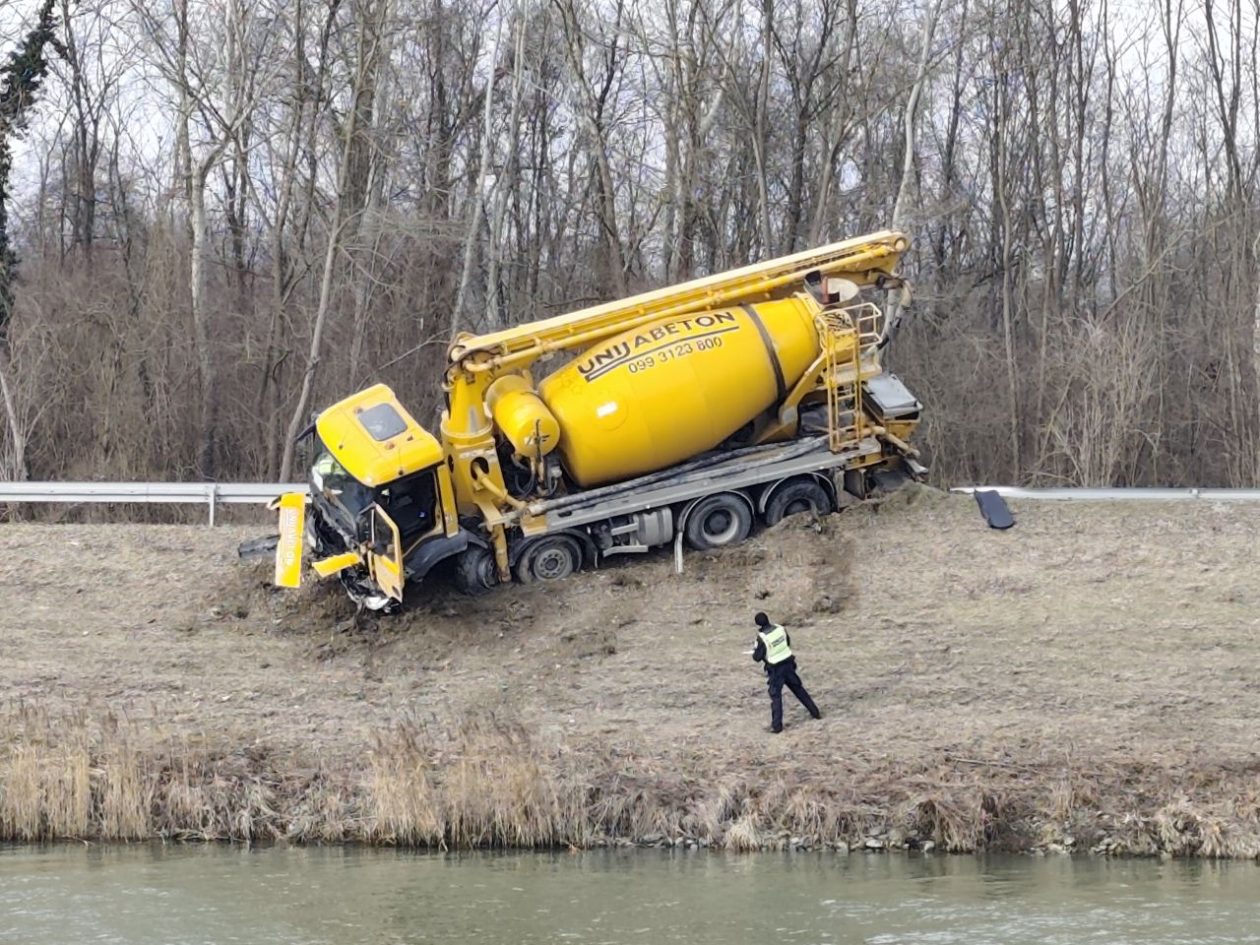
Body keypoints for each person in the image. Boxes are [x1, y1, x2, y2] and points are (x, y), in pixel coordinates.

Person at [751, 612, 821, 733]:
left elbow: (757, 657)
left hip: (775, 669)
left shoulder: (762, 638)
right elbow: (787, 642)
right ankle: (815, 712)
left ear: (757, 624)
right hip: (788, 664)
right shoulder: (780, 628)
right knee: (799, 690)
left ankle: (777, 726)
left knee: (776, 697)